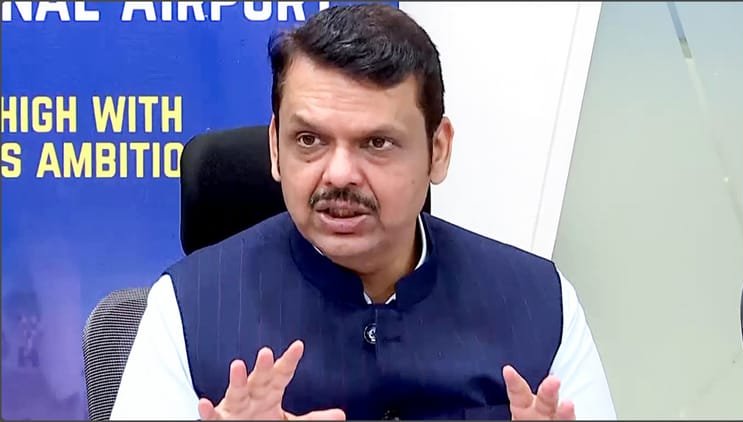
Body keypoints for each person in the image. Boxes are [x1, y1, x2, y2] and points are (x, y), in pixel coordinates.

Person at [111, 4, 616, 420]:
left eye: (377, 143)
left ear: (438, 150)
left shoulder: (541, 304)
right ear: (275, 147)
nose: (338, 175)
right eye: (308, 140)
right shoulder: (187, 308)